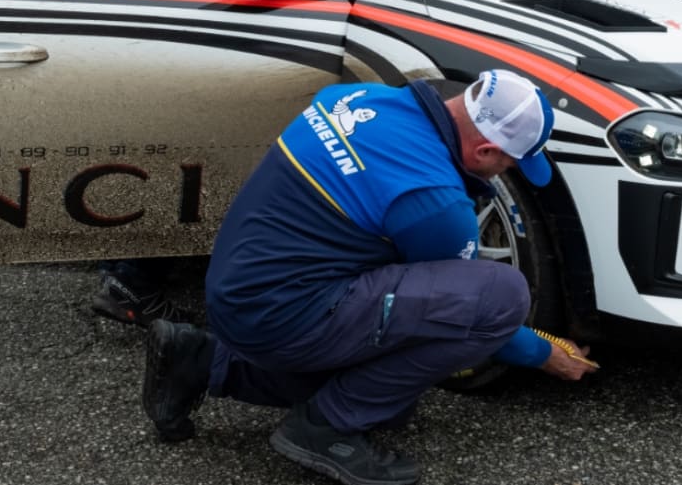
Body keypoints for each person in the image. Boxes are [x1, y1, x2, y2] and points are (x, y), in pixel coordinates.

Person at [140, 70, 596, 485]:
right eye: (511, 163)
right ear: (486, 150)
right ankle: (325, 428)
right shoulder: (436, 203)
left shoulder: (358, 96)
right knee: (500, 294)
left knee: (391, 399)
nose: (508, 171)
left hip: (237, 289)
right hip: (280, 315)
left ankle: (198, 359)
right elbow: (471, 311)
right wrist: (541, 354)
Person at [91, 0, 303, 329]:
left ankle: (116, 268)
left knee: (145, 149)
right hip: (180, 19)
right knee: (188, 156)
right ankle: (132, 286)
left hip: (111, 5)